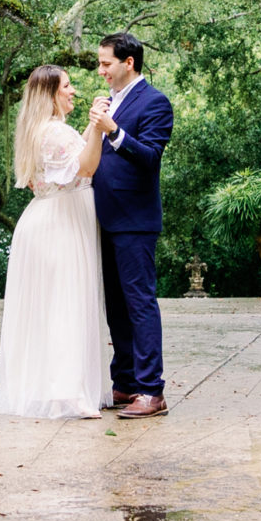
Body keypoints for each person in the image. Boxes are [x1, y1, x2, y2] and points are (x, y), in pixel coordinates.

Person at [0, 64, 111, 419]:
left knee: (53, 306)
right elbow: (86, 167)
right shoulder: (55, 133)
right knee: (66, 304)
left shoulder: (41, 130)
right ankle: (67, 392)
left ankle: (57, 386)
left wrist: (91, 125)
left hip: (48, 218)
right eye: (67, 86)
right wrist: (99, 126)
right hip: (61, 223)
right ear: (50, 94)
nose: (72, 91)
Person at [91, 32, 173, 418]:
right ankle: (124, 383)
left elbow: (150, 157)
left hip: (136, 220)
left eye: (106, 62)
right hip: (104, 218)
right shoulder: (111, 101)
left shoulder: (155, 102)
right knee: (116, 307)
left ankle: (151, 391)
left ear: (129, 62)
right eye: (100, 63)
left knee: (139, 304)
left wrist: (113, 131)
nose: (101, 69)